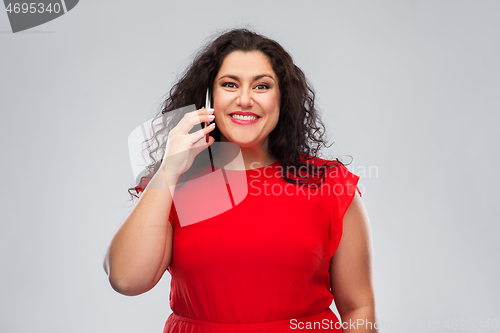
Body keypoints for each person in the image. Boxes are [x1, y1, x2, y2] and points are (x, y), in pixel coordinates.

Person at [103, 28, 377, 332]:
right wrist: (169, 168)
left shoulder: (330, 185)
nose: (244, 100)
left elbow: (358, 308)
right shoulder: (174, 185)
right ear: (209, 97)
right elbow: (126, 279)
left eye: (261, 86)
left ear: (282, 98)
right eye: (230, 84)